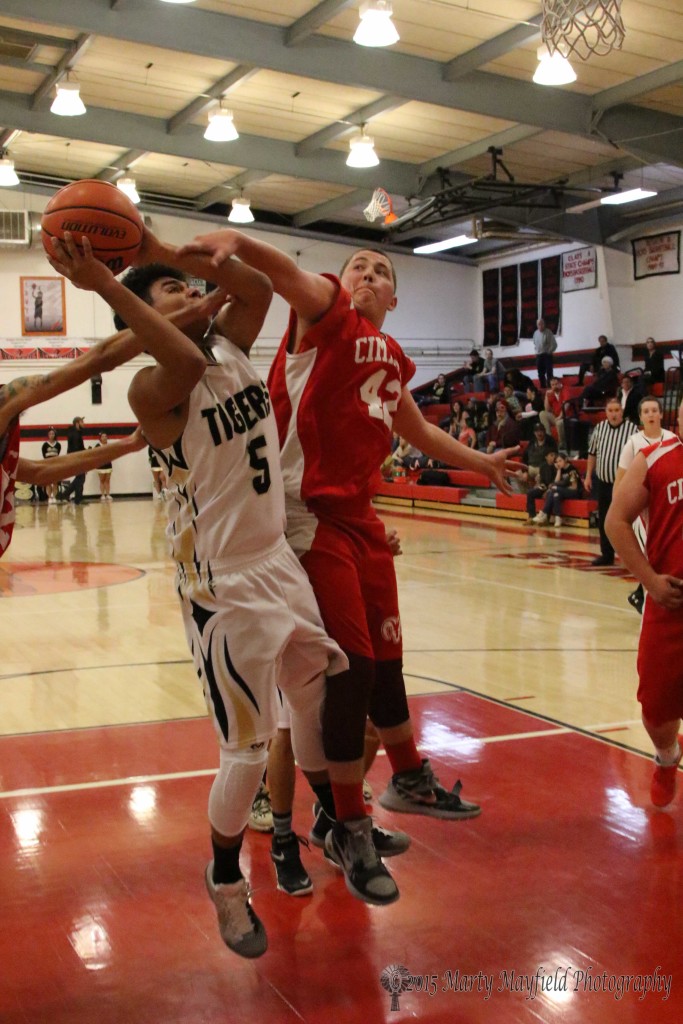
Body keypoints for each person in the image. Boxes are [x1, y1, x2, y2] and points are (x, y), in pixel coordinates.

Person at [178, 233, 519, 907]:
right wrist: (238, 242)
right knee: (345, 673)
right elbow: (283, 275)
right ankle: (343, 828)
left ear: (394, 297)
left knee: (385, 666)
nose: (365, 272)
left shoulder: (389, 355)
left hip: (359, 518)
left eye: (381, 270)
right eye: (359, 263)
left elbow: (416, 432)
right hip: (306, 514)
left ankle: (406, 778)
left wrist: (479, 463)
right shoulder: (324, 313)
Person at [54, 231, 351, 954]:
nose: (190, 295)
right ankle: (224, 880)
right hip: (222, 588)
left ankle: (336, 824)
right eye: (171, 292)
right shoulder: (150, 386)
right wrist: (103, 281)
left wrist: (187, 259)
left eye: (188, 288)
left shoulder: (235, 350)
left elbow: (252, 291)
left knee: (318, 691)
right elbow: (181, 355)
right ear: (141, 323)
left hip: (274, 558)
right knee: (245, 754)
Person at [605, 399, 683, 808]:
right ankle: (667, 756)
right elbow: (615, 521)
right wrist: (649, 581)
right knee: (655, 706)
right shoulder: (655, 459)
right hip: (671, 600)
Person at [614, 396, 676, 615]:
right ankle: (646, 596)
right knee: (650, 558)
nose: (650, 414)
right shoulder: (633, 443)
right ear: (640, 417)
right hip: (642, 512)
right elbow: (620, 483)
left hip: (666, 509)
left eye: (654, 410)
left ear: (661, 414)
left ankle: (640, 595)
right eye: (646, 411)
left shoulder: (673, 439)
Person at [584, 397, 638, 566]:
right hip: (604, 482)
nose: (614, 414)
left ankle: (633, 556)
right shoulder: (599, 429)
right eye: (610, 411)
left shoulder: (632, 430)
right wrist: (587, 476)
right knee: (605, 520)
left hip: (624, 485)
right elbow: (592, 454)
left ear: (622, 412)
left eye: (617, 410)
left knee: (627, 521)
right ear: (606, 413)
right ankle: (606, 554)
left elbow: (639, 457)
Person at [529, 451, 583, 527]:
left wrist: (558, 488)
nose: (558, 463)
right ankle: (558, 518)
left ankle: (543, 513)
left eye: (560, 461)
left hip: (575, 493)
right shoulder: (561, 470)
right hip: (563, 492)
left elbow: (574, 487)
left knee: (554, 489)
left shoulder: (572, 469)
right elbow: (556, 482)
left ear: (566, 459)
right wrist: (559, 470)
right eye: (557, 462)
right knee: (556, 495)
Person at [523, 449, 557, 524]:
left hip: (554, 488)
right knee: (530, 493)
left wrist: (548, 489)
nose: (554, 457)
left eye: (554, 455)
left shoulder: (557, 466)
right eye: (551, 455)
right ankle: (531, 516)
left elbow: (557, 481)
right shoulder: (543, 466)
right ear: (546, 457)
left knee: (548, 494)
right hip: (545, 486)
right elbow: (542, 481)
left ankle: (545, 518)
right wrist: (540, 484)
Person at [61, 416, 87, 504]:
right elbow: (76, 448)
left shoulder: (76, 432)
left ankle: (76, 497)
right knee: (80, 478)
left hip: (75, 458)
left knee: (80, 478)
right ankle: (74, 497)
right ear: (77, 423)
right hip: (76, 458)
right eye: (82, 422)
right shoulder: (75, 434)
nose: (84, 424)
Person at [540, 376, 566, 449]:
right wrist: (546, 395)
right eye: (552, 385)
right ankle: (549, 439)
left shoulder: (565, 390)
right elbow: (547, 409)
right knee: (542, 414)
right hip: (556, 416)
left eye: (556, 384)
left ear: (560, 384)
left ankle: (562, 443)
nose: (555, 386)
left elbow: (566, 406)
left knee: (559, 422)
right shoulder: (551, 394)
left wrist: (560, 417)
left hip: (566, 416)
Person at [532, 317, 557, 389]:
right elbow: (534, 343)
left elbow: (554, 344)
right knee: (540, 373)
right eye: (538, 324)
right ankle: (542, 387)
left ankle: (550, 387)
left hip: (547, 355)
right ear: (537, 325)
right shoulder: (535, 333)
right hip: (539, 355)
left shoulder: (548, 332)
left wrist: (549, 351)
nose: (540, 325)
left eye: (541, 324)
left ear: (544, 324)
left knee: (549, 372)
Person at [41, 427, 61, 504]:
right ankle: (49, 497)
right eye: (50, 434)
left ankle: (54, 496)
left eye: (53, 434)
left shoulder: (58, 444)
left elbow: (58, 453)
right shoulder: (45, 445)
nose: (51, 435)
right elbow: (44, 455)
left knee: (55, 482)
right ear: (48, 435)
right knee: (48, 482)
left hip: (55, 465)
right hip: (48, 465)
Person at [95, 432, 113, 501]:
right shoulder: (98, 445)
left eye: (106, 436)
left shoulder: (109, 445)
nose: (105, 438)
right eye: (103, 436)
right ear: (100, 438)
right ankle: (102, 495)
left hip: (108, 465)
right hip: (100, 466)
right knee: (102, 480)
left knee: (107, 480)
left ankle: (108, 494)